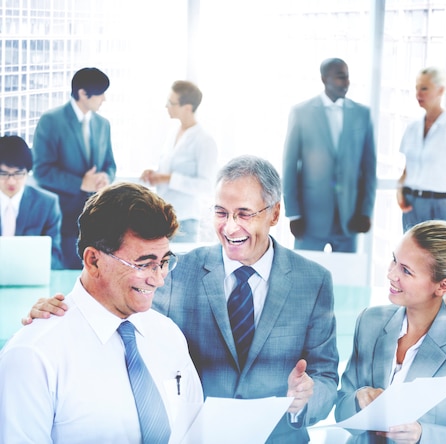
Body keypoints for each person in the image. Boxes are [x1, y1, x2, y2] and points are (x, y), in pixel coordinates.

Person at [24, 155, 339, 443]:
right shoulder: (175, 270)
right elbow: (119, 299)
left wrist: (305, 401)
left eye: (244, 214)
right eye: (221, 212)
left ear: (274, 214)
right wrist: (67, 308)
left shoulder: (313, 282)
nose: (230, 227)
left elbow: (325, 376)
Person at [0, 182, 203, 443]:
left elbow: (194, 433)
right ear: (93, 261)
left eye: (163, 263)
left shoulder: (168, 335)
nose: (159, 279)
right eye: (144, 264)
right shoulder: (33, 356)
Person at [335, 220, 446, 444]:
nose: (391, 274)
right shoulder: (370, 322)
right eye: (394, 260)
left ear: (442, 286)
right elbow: (342, 413)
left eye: (406, 270)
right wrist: (358, 399)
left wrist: (423, 435)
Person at [283, 57, 377, 253]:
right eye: (340, 77)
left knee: (347, 280)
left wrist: (365, 212)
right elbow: (290, 166)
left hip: (349, 220)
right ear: (324, 79)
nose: (346, 83)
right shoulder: (301, 112)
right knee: (305, 278)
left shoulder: (362, 114)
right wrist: (293, 214)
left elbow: (369, 168)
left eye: (348, 77)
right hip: (309, 220)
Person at [33, 67, 116, 269]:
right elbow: (42, 171)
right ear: (82, 93)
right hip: (63, 217)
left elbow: (110, 164)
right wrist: (81, 183)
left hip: (97, 218)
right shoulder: (51, 121)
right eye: (99, 93)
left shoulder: (103, 124)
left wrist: (105, 177)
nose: (103, 99)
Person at [140, 80, 218, 243]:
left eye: (171, 102)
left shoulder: (204, 141)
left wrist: (168, 179)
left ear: (187, 108)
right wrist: (155, 174)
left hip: (186, 220)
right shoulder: (173, 133)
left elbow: (206, 185)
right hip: (163, 216)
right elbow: (169, 167)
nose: (166, 106)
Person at [396, 67, 446, 232]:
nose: (418, 94)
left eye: (424, 88)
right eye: (416, 88)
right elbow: (407, 171)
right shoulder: (412, 127)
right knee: (409, 256)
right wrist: (400, 192)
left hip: (439, 207)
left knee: (439, 258)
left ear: (441, 90)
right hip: (411, 206)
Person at [0, 135, 62, 268]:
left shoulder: (47, 204)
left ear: (27, 172)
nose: (11, 181)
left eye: (18, 173)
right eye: (3, 174)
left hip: (29, 276)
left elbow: (55, 258)